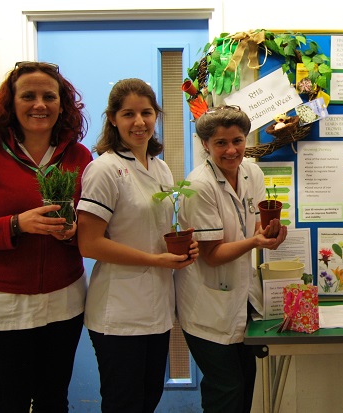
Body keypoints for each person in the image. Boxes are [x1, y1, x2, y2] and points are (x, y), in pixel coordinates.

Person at [0, 61, 92, 412]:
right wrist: (15, 224)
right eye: (28, 96)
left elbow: (92, 224)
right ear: (11, 103)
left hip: (63, 303)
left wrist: (73, 233)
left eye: (48, 96)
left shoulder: (79, 156)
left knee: (54, 402)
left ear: (62, 104)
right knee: (6, 403)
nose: (39, 104)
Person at [76, 78, 198, 413]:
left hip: (157, 308)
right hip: (119, 312)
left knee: (148, 399)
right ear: (113, 118)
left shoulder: (160, 169)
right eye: (128, 113)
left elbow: (159, 228)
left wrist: (186, 247)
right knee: (124, 403)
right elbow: (89, 244)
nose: (139, 121)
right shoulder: (103, 169)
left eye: (146, 112)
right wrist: (156, 260)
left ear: (156, 116)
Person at [174, 105, 287, 412]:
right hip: (207, 308)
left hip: (241, 299)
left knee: (245, 382)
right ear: (205, 145)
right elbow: (211, 256)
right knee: (226, 390)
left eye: (237, 140)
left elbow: (255, 227)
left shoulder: (252, 172)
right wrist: (255, 240)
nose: (231, 150)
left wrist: (272, 234)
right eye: (221, 143)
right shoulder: (200, 186)